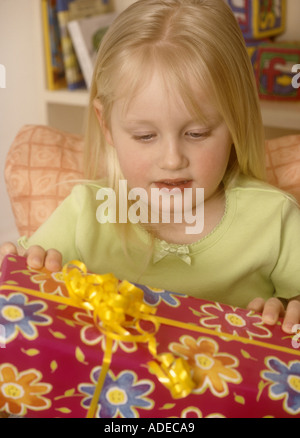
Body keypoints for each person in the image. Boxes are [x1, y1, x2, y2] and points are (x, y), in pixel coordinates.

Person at [1, 0, 300, 333]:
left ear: (236, 123)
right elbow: (19, 276)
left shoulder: (276, 219)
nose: (172, 159)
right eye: (145, 136)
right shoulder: (84, 213)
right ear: (107, 126)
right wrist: (22, 267)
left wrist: (289, 310)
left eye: (197, 133)